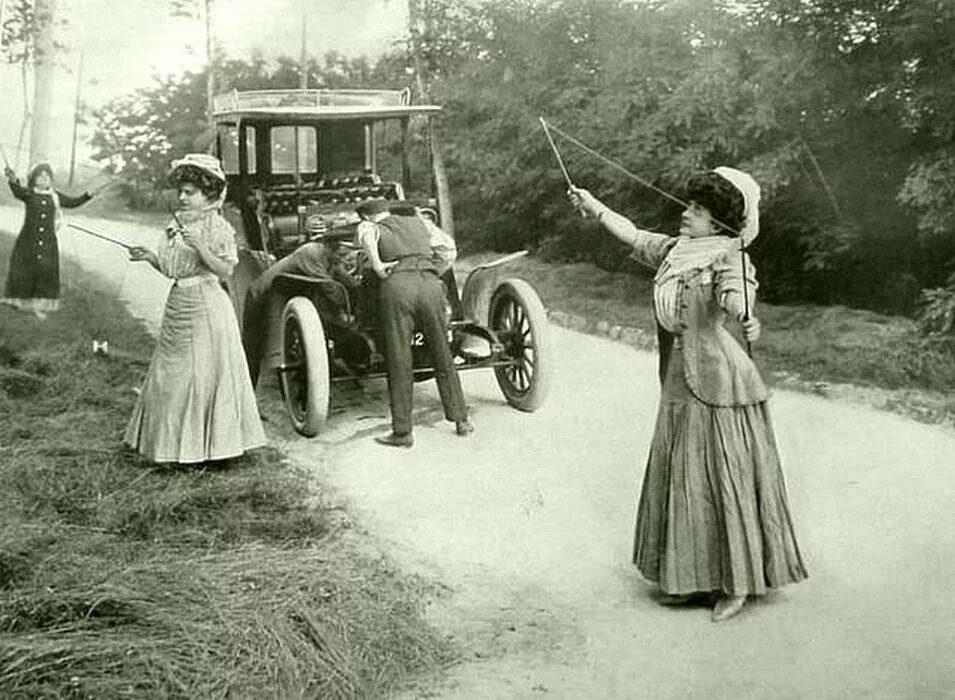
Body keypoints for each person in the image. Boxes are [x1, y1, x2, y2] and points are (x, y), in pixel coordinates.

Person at [570, 167, 807, 622]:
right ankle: (692, 577)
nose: (686, 213)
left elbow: (736, 295)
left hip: (719, 383)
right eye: (689, 206)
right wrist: (594, 205)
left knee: (725, 477)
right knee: (687, 477)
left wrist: (744, 313)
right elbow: (634, 235)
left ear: (718, 220)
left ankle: (736, 584)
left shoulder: (728, 258)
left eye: (696, 209)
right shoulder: (677, 251)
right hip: (679, 379)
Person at [123, 153, 266, 464]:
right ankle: (171, 448)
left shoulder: (219, 228)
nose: (183, 198)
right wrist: (150, 257)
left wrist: (201, 246)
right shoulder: (176, 226)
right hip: (178, 305)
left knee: (199, 377)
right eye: (181, 192)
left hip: (207, 307)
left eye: (191, 192)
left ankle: (209, 451)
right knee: (170, 375)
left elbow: (224, 271)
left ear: (209, 195)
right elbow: (175, 269)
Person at [356, 199, 472, 448]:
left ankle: (402, 433)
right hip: (430, 285)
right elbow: (449, 249)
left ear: (367, 215)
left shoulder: (370, 226)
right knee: (442, 352)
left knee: (399, 357)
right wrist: (431, 270)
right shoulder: (421, 222)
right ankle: (461, 420)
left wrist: (377, 265)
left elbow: (366, 237)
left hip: (398, 286)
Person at [2, 163, 93, 319]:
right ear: (34, 180)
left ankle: (39, 307)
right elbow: (17, 190)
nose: (44, 179)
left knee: (45, 271)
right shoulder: (29, 194)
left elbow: (73, 202)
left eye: (47, 176)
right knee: (24, 268)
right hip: (28, 240)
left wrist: (87, 196)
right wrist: (12, 178)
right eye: (40, 176)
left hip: (48, 242)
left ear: (51, 180)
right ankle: (18, 301)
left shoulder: (55, 196)